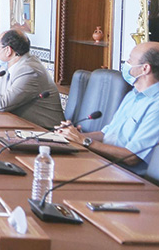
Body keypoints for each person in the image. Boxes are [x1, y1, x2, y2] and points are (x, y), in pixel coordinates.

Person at [56, 42, 159, 175]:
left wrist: (84, 141)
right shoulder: (133, 94)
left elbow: (132, 157)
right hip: (103, 163)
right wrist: (73, 135)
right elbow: (106, 135)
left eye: (130, 60)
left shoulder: (156, 106)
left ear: (145, 68)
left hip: (127, 176)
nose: (126, 64)